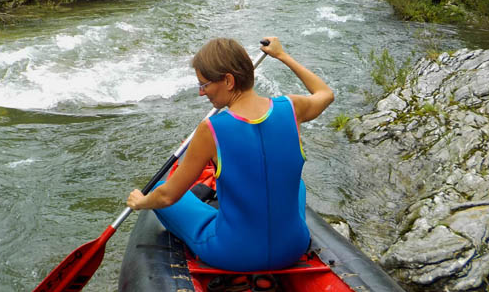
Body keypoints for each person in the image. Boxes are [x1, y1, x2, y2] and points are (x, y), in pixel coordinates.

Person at [126, 37, 334, 271]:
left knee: (157, 191)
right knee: (299, 186)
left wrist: (141, 202)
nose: (202, 93)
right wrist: (282, 56)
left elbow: (167, 197)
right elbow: (325, 93)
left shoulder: (211, 130)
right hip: (292, 248)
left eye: (204, 85)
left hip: (234, 254)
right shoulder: (292, 107)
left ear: (228, 80)